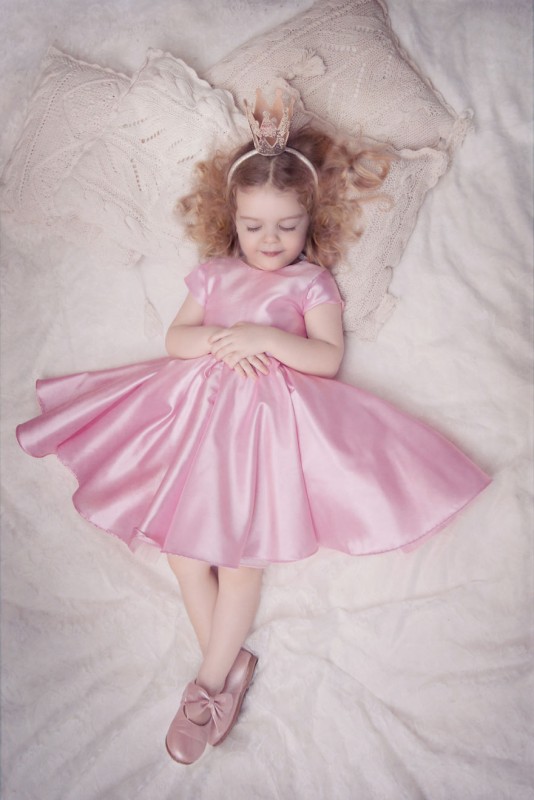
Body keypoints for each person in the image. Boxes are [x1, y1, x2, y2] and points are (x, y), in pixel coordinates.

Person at [16, 89, 491, 766]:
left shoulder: (311, 283)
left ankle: (206, 689)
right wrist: (222, 337)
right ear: (231, 220)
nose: (270, 242)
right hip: (196, 425)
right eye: (254, 227)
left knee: (238, 563)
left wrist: (263, 339)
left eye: (287, 227)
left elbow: (326, 358)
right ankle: (230, 662)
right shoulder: (214, 275)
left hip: (269, 435)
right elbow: (176, 339)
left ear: (310, 222)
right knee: (185, 556)